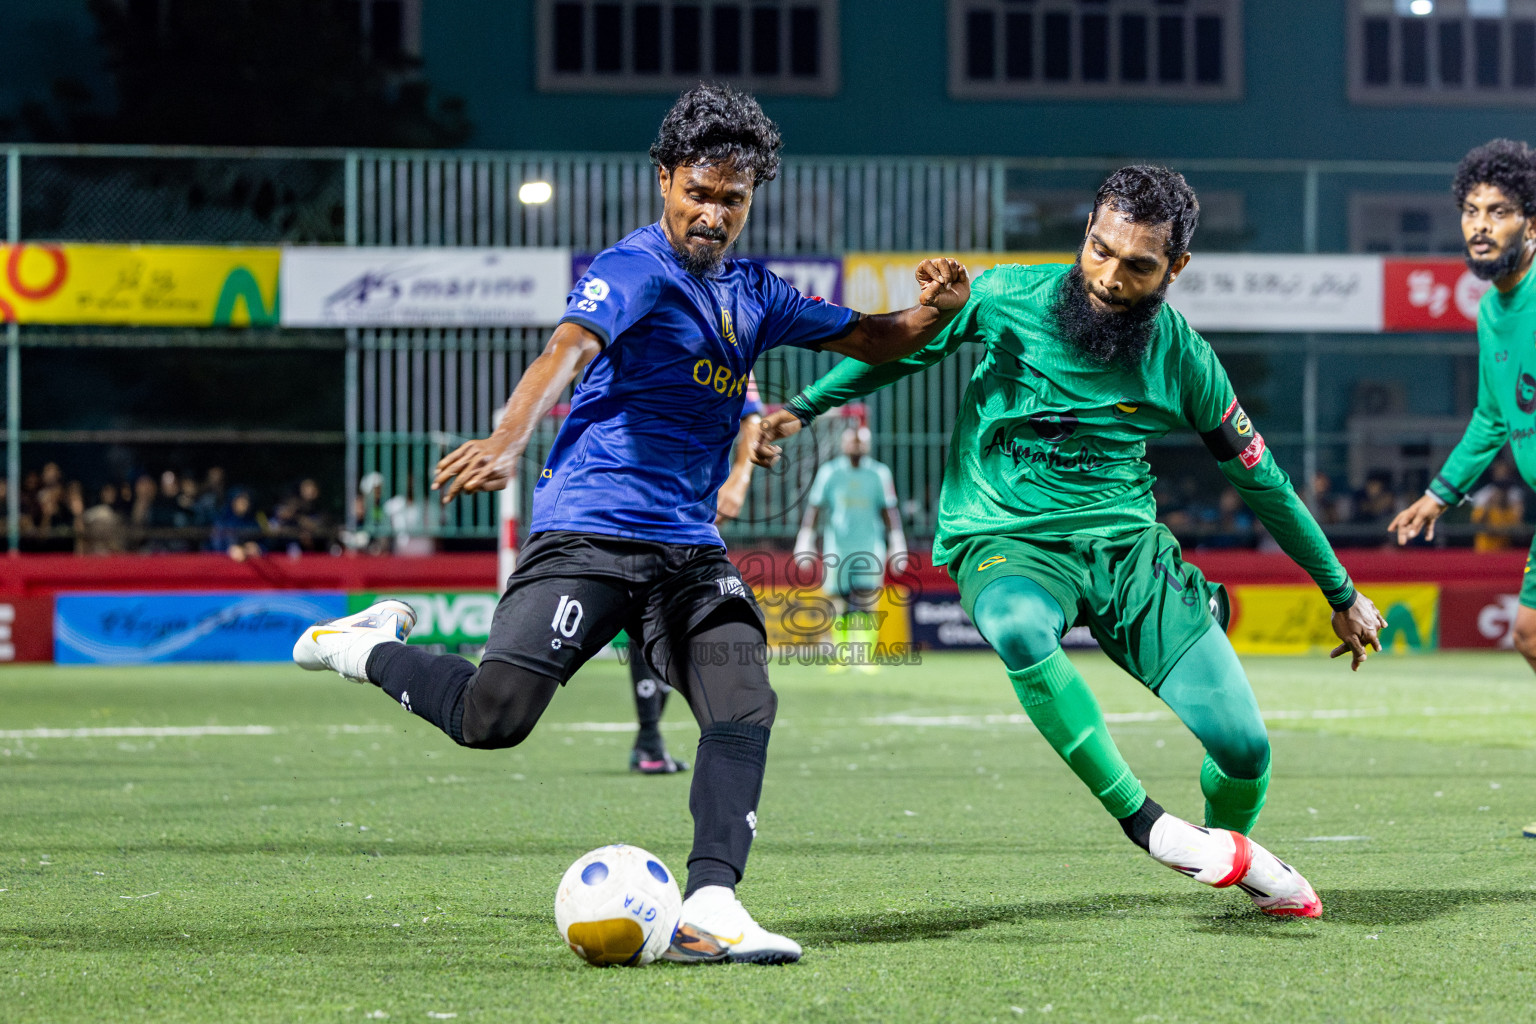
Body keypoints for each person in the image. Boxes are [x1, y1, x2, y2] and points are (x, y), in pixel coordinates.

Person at [292, 83, 970, 964]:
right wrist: (506, 437)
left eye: (731, 198)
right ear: (664, 179)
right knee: (494, 719)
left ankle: (714, 904)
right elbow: (566, 347)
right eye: (698, 191)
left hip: (688, 550)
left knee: (744, 700)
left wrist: (935, 313)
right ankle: (363, 644)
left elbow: (874, 338)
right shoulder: (637, 266)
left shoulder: (759, 293)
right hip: (593, 533)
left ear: (752, 196)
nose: (712, 213)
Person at [755, 165, 1388, 918]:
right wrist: (798, 410)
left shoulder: (1185, 360)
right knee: (1020, 627)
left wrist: (1341, 593)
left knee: (1246, 751)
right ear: (1086, 231)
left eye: (1139, 264)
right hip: (1006, 539)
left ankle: (1227, 855)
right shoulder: (1002, 296)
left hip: (1128, 556)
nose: (1109, 276)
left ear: (1176, 269)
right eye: (1099, 249)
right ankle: (1148, 826)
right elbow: (901, 351)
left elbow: (1266, 484)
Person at [1386, 139, 1536, 840]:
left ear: (1530, 226)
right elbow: (1490, 417)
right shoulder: (1490, 313)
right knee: (1530, 634)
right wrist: (1438, 495)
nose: (1480, 224)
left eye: (1499, 211)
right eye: (1471, 211)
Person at [628, 376, 763, 775]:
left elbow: (752, 417)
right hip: (628, 502)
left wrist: (738, 480)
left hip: (688, 513)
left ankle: (650, 738)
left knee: (666, 619)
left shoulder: (733, 332)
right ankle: (650, 738)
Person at [795, 425, 905, 672]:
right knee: (837, 600)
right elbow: (815, 507)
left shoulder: (879, 473)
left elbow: (889, 509)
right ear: (843, 445)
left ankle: (863, 655)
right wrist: (806, 538)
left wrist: (897, 540)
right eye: (852, 441)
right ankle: (842, 654)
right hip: (838, 546)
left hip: (869, 545)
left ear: (867, 445)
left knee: (868, 599)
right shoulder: (829, 472)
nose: (856, 446)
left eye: (860, 442)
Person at [1470, 460, 1525, 552]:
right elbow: (1476, 524)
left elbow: (1518, 528)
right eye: (1499, 488)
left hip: (1504, 552)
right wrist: (1488, 506)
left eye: (1504, 488)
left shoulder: (1511, 506)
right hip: (1484, 551)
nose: (1501, 492)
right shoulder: (1485, 498)